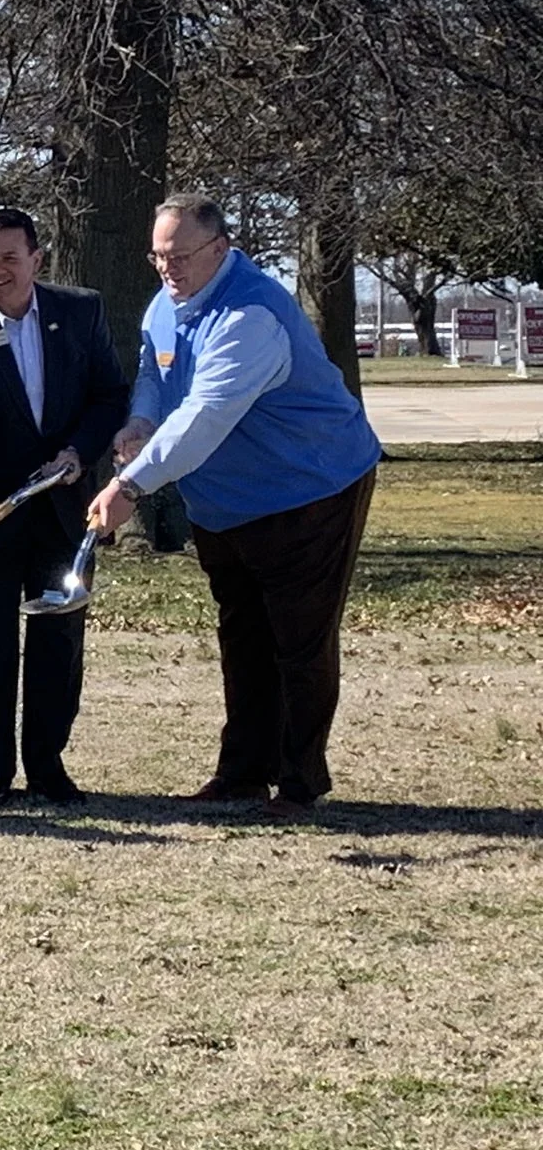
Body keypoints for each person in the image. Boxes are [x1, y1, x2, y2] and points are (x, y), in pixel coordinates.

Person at [86, 193, 381, 816]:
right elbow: (156, 372)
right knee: (243, 634)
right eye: (158, 256)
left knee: (299, 639)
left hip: (310, 489)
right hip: (224, 505)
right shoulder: (167, 304)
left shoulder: (251, 316)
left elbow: (206, 414)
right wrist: (140, 421)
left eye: (180, 255)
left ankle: (301, 782)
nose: (168, 269)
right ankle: (244, 771)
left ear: (220, 249)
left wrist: (131, 486)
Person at [0, 207, 128, 807]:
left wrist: (77, 452)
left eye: (9, 258)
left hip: (65, 513)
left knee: (58, 643)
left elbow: (109, 395)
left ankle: (47, 766)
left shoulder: (80, 310)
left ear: (37, 261)